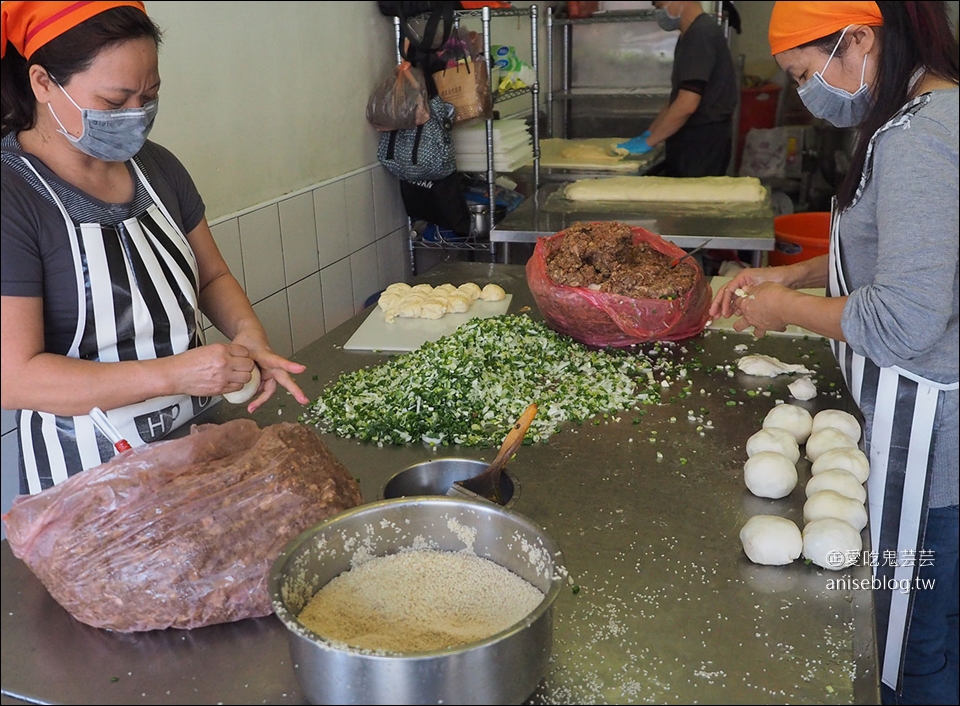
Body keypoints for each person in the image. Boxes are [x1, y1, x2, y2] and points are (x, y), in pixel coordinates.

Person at [710, 2, 958, 704]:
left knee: (916, 652)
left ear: (858, 40)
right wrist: (793, 275)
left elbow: (907, 317)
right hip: (920, 438)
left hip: (933, 458)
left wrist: (782, 311)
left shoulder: (922, 136)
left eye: (801, 72)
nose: (802, 93)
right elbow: (906, 254)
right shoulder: (915, 116)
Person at [1, 1, 310, 495]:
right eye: (114, 100)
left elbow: (212, 277)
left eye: (149, 96)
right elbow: (14, 378)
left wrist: (249, 334)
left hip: (193, 443)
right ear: (42, 83)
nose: (136, 116)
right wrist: (173, 374)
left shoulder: (157, 166)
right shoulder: (12, 196)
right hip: (86, 479)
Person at [617, 0, 739, 178]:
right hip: (691, 139)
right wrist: (649, 133)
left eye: (660, 6)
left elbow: (687, 103)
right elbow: (677, 98)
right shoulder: (689, 34)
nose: (659, 12)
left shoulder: (701, 34)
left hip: (701, 142)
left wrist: (649, 143)